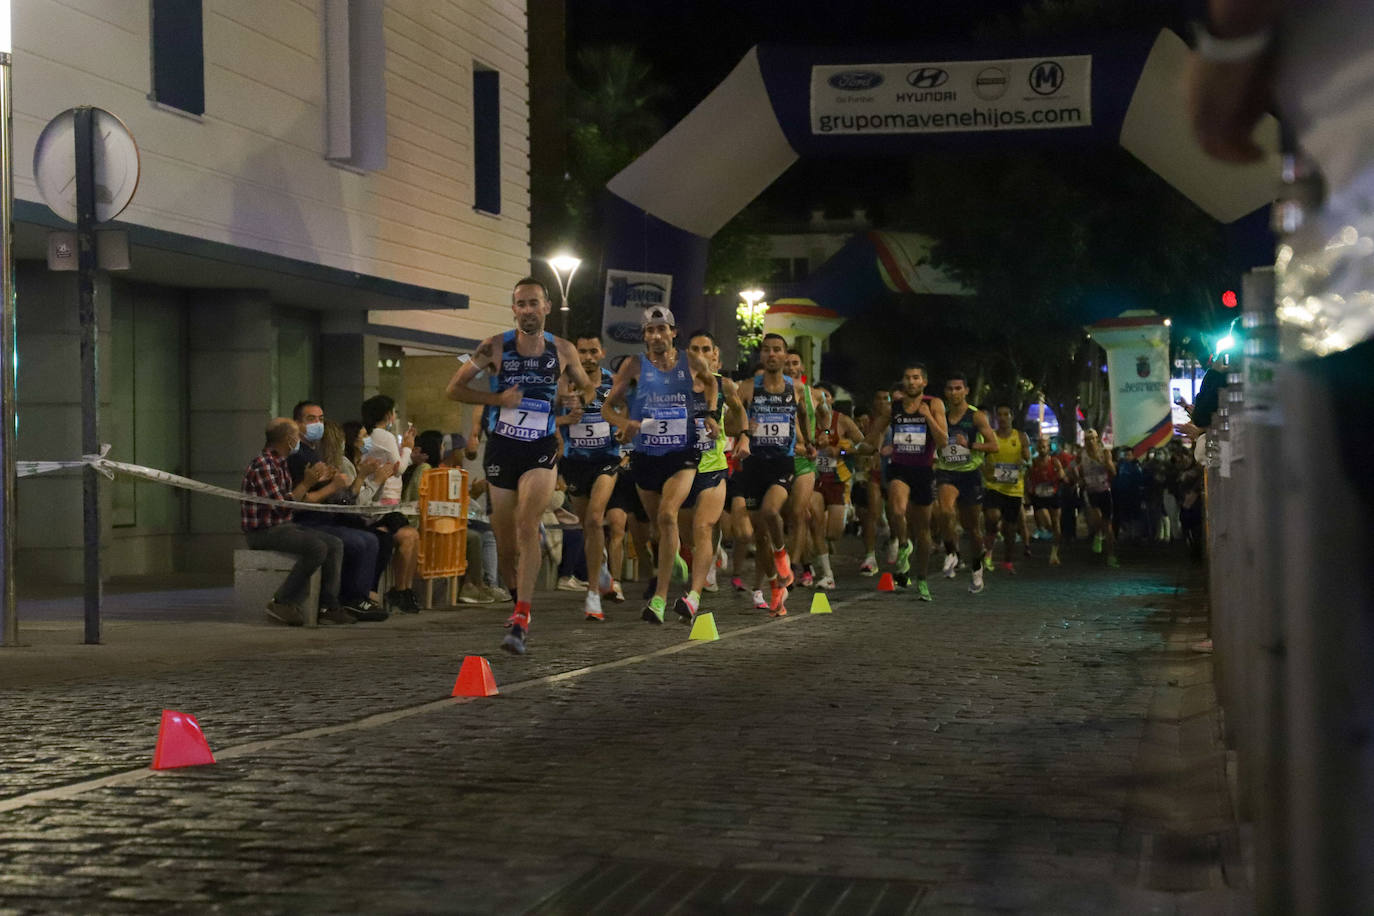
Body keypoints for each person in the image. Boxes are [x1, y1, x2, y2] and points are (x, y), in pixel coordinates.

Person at [445, 276, 596, 654]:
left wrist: (576, 399)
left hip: (541, 448)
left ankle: (523, 615)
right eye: (521, 304)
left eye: (534, 303)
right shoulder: (494, 347)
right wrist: (497, 398)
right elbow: (454, 389)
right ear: (514, 309)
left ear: (546, 306)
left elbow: (586, 387)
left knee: (529, 522)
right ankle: (518, 604)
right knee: (508, 544)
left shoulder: (562, 350)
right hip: (502, 450)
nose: (528, 310)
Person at [602, 306, 717, 625]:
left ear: (673, 332)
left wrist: (710, 414)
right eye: (650, 331)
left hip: (682, 453)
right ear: (644, 336)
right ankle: (674, 557)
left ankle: (659, 600)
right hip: (645, 455)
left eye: (661, 329)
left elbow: (711, 384)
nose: (656, 336)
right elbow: (607, 407)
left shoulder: (691, 361)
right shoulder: (634, 365)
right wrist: (624, 423)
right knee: (656, 528)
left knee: (668, 516)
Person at [240, 418, 354, 626]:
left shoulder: (280, 463)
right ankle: (283, 600)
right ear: (287, 439)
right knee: (316, 547)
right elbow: (281, 505)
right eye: (295, 435)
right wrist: (307, 483)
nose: (299, 440)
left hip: (284, 526)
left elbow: (291, 496)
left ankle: (328, 604)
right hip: (265, 530)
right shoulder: (264, 465)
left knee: (334, 543)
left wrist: (316, 481)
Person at [287, 401, 387, 621]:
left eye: (320, 419)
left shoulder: (316, 456)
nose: (317, 424)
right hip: (306, 521)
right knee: (354, 541)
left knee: (371, 539)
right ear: (297, 424)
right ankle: (342, 600)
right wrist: (337, 485)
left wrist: (348, 482)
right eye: (311, 419)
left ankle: (357, 597)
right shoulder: (296, 456)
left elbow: (340, 500)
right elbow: (300, 499)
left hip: (326, 518)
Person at [736, 333, 813, 616]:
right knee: (759, 535)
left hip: (782, 462)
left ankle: (783, 557)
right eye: (766, 350)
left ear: (784, 356)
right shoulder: (747, 388)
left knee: (771, 512)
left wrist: (808, 440)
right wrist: (745, 428)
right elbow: (732, 421)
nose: (771, 354)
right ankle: (775, 586)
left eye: (777, 350)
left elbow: (803, 413)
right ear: (761, 356)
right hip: (754, 465)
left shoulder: (796, 389)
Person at [674, 329, 746, 622]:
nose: (700, 355)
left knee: (703, 527)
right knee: (682, 533)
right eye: (694, 349)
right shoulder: (673, 385)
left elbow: (741, 412)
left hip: (713, 466)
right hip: (679, 467)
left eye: (706, 349)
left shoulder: (724, 385)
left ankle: (693, 597)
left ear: (715, 355)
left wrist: (745, 438)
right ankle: (704, 559)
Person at [863, 363, 947, 600]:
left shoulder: (934, 404)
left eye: (916, 378)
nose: (911, 382)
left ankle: (921, 578)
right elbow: (872, 437)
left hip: (923, 470)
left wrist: (928, 417)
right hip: (900, 467)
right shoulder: (894, 407)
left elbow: (943, 441)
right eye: (907, 378)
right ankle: (903, 544)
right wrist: (860, 449)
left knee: (923, 531)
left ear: (924, 382)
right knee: (897, 510)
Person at [555, 333, 623, 620]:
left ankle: (593, 593)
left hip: (607, 460)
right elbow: (543, 418)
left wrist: (623, 429)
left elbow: (631, 412)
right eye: (582, 351)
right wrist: (563, 420)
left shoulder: (615, 382)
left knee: (596, 518)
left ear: (602, 352)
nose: (588, 357)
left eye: (593, 351)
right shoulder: (563, 383)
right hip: (574, 462)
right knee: (587, 525)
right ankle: (603, 572)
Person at [934, 373, 998, 594]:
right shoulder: (940, 415)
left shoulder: (976, 416)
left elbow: (993, 445)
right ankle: (952, 551)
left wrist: (970, 444)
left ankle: (977, 570)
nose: (954, 393)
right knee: (944, 511)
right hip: (946, 472)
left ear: (966, 391)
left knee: (973, 529)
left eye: (958, 388)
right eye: (950, 389)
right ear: (945, 392)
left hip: (970, 474)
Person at [812, 382, 867, 589]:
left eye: (825, 396)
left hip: (838, 480)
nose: (821, 401)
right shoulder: (807, 420)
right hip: (815, 479)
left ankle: (845, 513)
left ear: (832, 400)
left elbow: (864, 446)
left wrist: (841, 451)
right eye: (817, 397)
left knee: (834, 532)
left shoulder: (842, 421)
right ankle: (827, 574)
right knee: (815, 520)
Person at [783, 349, 827, 587]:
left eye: (795, 363)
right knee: (783, 516)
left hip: (804, 460)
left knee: (799, 513)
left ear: (802, 368)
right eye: (787, 364)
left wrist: (824, 435)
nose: (790, 367)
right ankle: (800, 562)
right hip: (781, 458)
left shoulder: (814, 395)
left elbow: (826, 417)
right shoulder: (774, 392)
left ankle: (792, 565)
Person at [981, 404, 1031, 573]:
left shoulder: (1021, 437)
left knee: (1009, 529)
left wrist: (1024, 462)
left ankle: (1008, 562)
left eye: (1006, 414)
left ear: (1012, 416)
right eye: (999, 415)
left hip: (1013, 489)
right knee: (992, 517)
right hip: (993, 486)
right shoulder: (990, 437)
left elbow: (1027, 460)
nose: (1002, 418)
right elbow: (981, 459)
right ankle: (988, 551)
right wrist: (986, 470)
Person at [361, 395, 415, 507]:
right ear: (387, 414)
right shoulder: (385, 436)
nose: (395, 415)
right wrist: (408, 448)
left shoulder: (368, 434)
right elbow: (398, 469)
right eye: (394, 411)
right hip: (386, 494)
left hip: (371, 491)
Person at [1078, 429, 1119, 567]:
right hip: (1091, 491)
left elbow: (1113, 472)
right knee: (1096, 519)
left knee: (1107, 526)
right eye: (1087, 439)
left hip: (1104, 491)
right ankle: (1098, 534)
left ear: (1097, 439)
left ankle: (1111, 555)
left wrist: (1107, 463)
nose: (1090, 442)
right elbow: (1076, 470)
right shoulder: (1082, 454)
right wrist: (1079, 480)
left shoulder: (1105, 453)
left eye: (1092, 439)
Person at [1028, 435, 1069, 565]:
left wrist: (1061, 475)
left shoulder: (1054, 461)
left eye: (1044, 446)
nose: (1042, 448)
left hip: (1053, 494)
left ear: (1048, 448)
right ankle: (1052, 534)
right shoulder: (1033, 462)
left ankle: (1054, 553)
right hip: (1039, 496)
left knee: (1056, 522)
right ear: (1037, 448)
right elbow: (1027, 477)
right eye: (1040, 446)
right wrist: (1028, 492)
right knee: (1047, 522)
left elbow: (1062, 474)